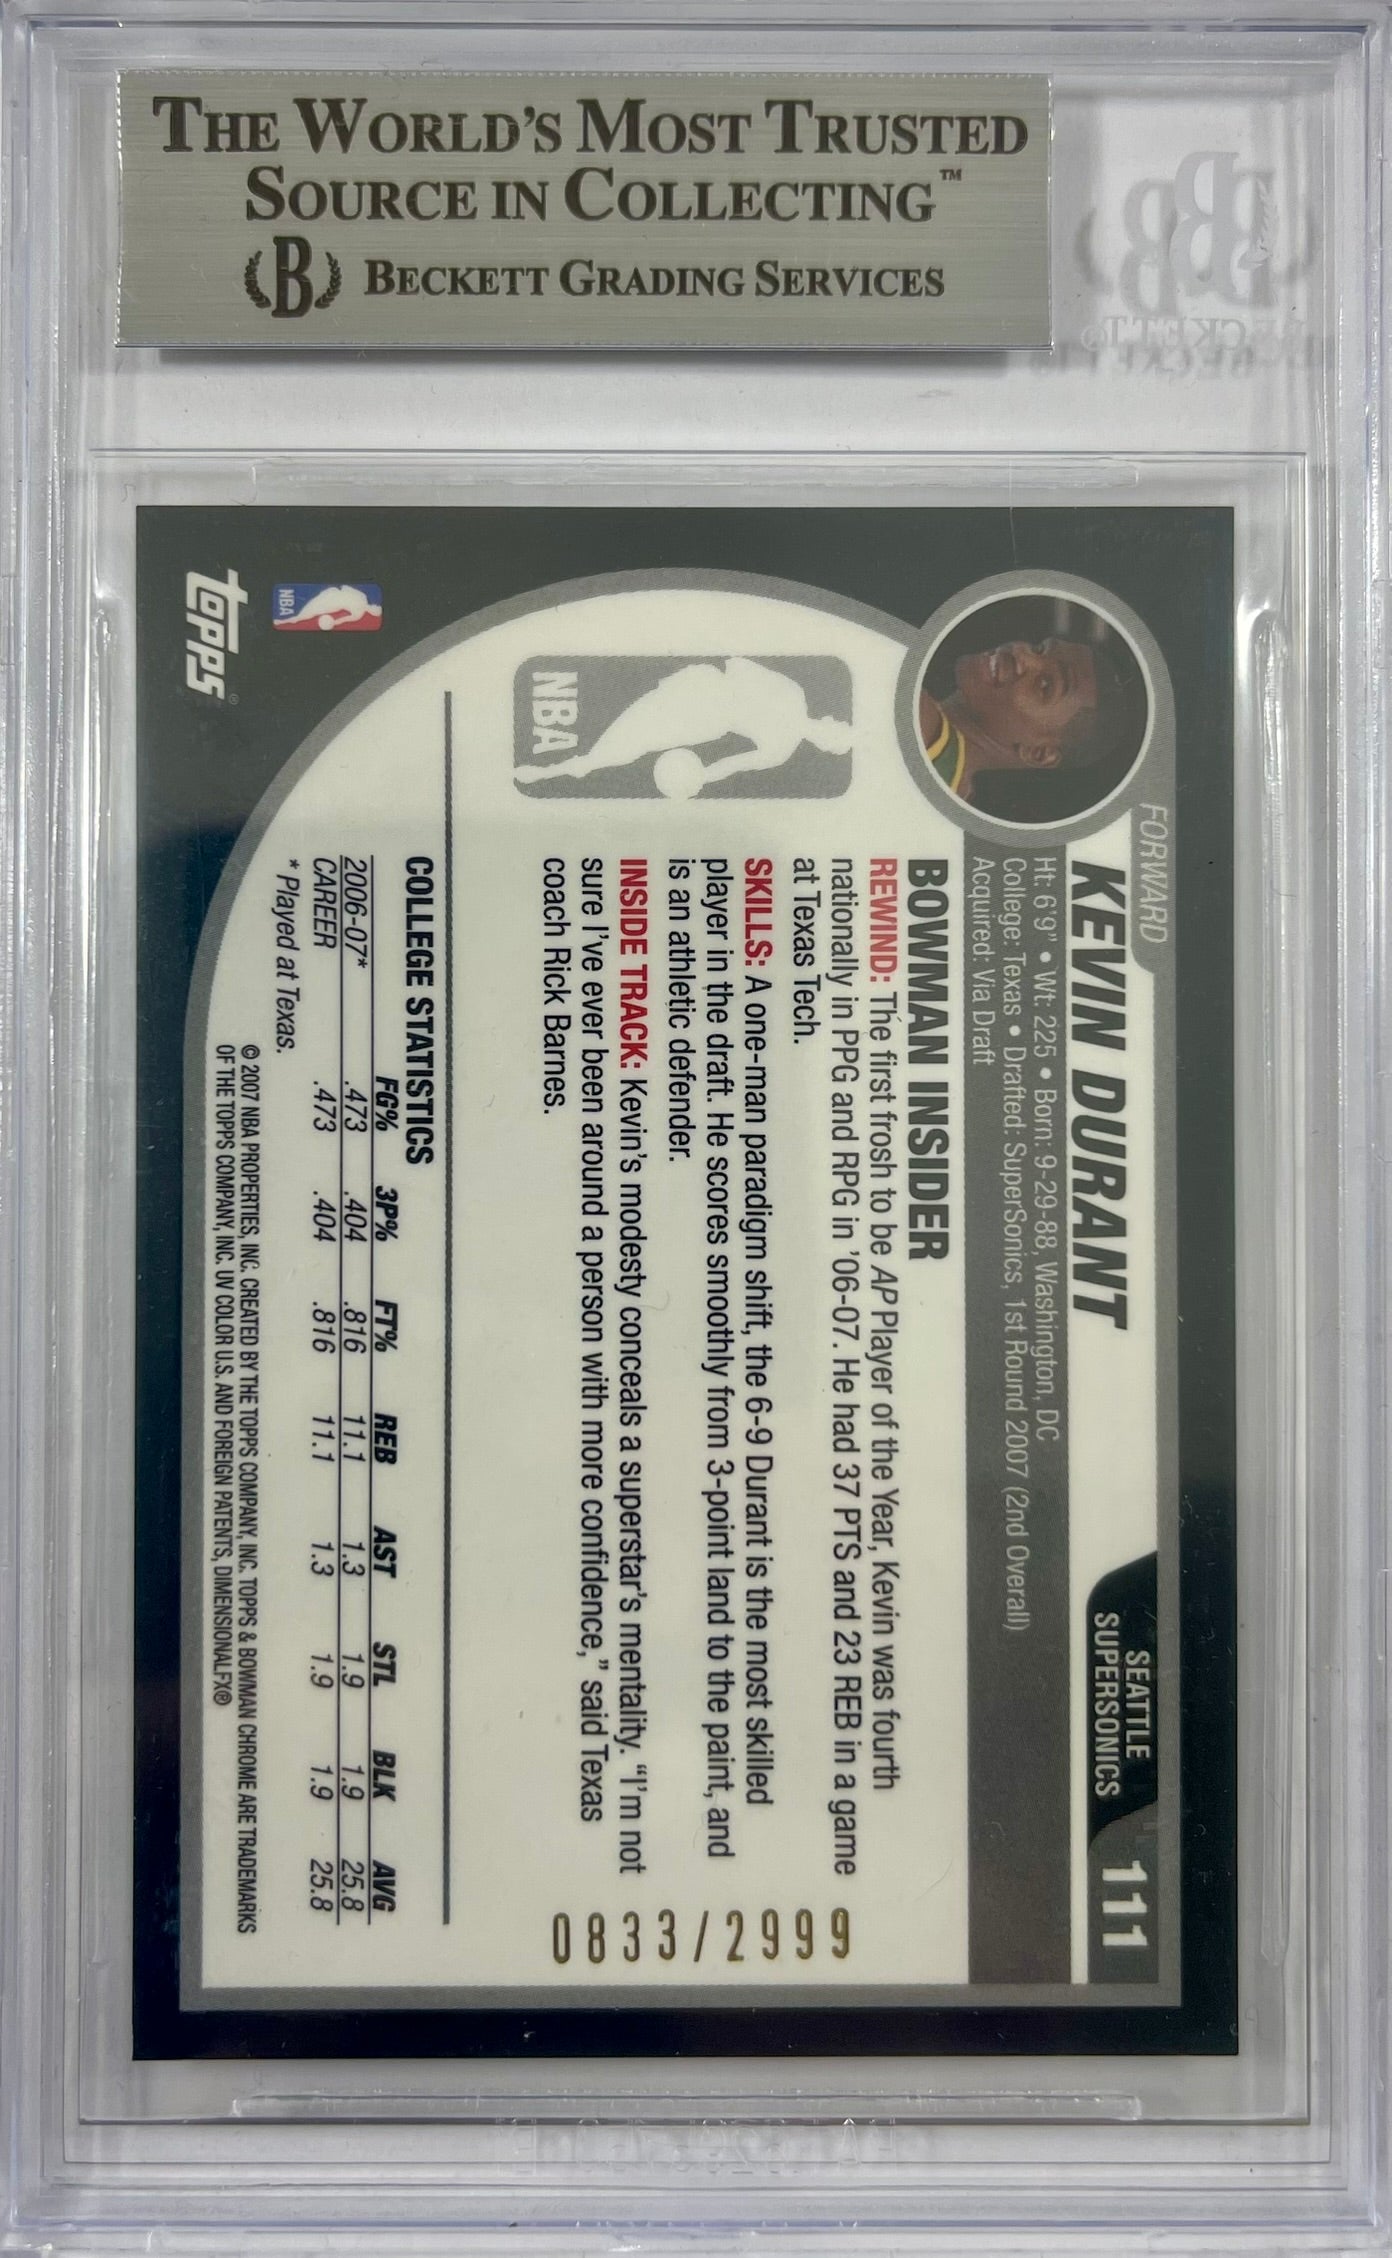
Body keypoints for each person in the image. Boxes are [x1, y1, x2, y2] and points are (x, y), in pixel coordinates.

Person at [515, 657, 852, 797]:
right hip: (700, 689)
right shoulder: (793, 693)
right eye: (836, 728)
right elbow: (735, 666)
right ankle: (565, 767)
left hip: (706, 722)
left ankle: (554, 771)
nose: (828, 732)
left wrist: (698, 777)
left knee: (630, 747)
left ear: (823, 746)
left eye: (832, 740)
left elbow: (730, 765)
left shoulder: (780, 751)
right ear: (830, 719)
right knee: (629, 727)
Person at [917, 633, 1143, 804]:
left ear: (1039, 753)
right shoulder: (956, 801)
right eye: (1039, 649)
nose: (1019, 655)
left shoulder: (917, 718)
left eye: (1045, 685)